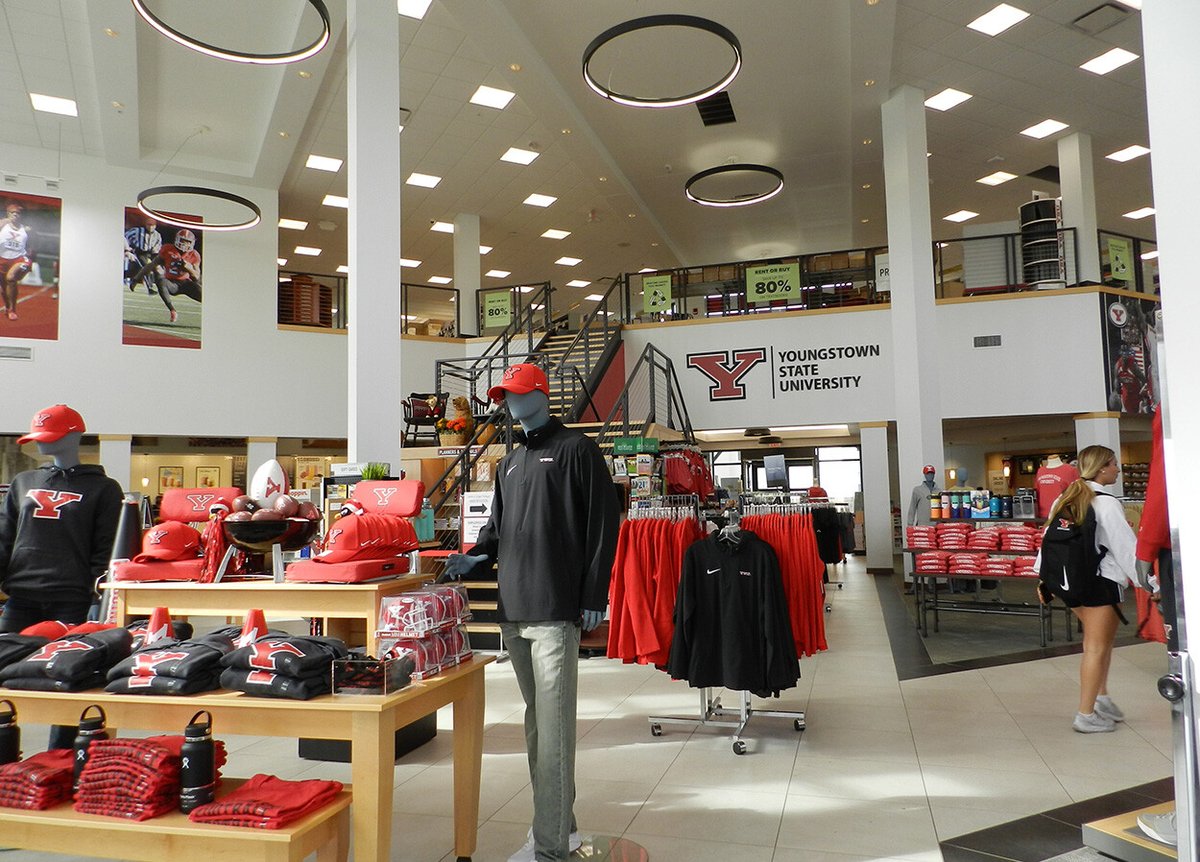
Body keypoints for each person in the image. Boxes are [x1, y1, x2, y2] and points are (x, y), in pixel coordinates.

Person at [441, 363, 619, 862]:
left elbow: (604, 527)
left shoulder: (578, 451)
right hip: (513, 609)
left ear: (542, 394)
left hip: (556, 608)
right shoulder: (509, 464)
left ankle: (549, 848)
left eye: (519, 394)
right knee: (538, 726)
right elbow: (497, 531)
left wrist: (593, 596)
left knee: (555, 727)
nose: (511, 404)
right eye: (505, 397)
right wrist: (473, 554)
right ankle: (561, 824)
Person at [0, 404, 124, 749]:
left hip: (72, 600)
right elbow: (4, 536)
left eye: (49, 437)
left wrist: (99, 601)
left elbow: (106, 550)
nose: (41, 445)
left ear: (75, 435)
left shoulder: (104, 489)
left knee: (64, 682)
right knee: (5, 679)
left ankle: (60, 758)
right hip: (21, 597)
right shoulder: (24, 482)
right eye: (37, 438)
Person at [1035, 445, 1137, 734]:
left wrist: (1044, 579)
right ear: (1102, 468)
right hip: (1101, 584)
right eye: (1114, 464)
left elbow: (1048, 540)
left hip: (1071, 585)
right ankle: (1086, 714)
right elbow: (1126, 550)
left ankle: (1101, 698)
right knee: (1095, 648)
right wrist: (1149, 583)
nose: (1117, 469)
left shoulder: (1065, 497)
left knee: (1099, 643)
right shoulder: (1107, 504)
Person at [127, 227, 202, 324]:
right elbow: (151, 265)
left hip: (186, 284)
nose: (184, 244)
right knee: (161, 281)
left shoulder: (194, 255)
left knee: (203, 294)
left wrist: (189, 268)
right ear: (177, 239)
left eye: (187, 241)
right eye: (182, 240)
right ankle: (172, 310)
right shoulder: (168, 249)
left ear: (191, 243)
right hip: (171, 283)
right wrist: (136, 279)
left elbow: (197, 276)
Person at [0, 201, 33, 321]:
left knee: (11, 278)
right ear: (8, 214)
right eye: (12, 213)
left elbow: (31, 246)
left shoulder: (26, 230)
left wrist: (30, 257)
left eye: (18, 213)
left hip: (19, 259)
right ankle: (8, 307)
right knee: (3, 288)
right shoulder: (2, 225)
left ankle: (13, 309)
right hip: (2, 260)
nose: (15, 215)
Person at [124, 214, 163, 295]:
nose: (150, 227)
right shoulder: (137, 231)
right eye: (149, 225)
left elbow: (157, 247)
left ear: (155, 226)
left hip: (150, 254)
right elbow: (125, 236)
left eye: (152, 225)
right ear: (145, 224)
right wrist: (128, 248)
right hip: (138, 251)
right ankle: (149, 288)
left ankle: (155, 286)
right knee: (145, 267)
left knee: (156, 269)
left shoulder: (157, 235)